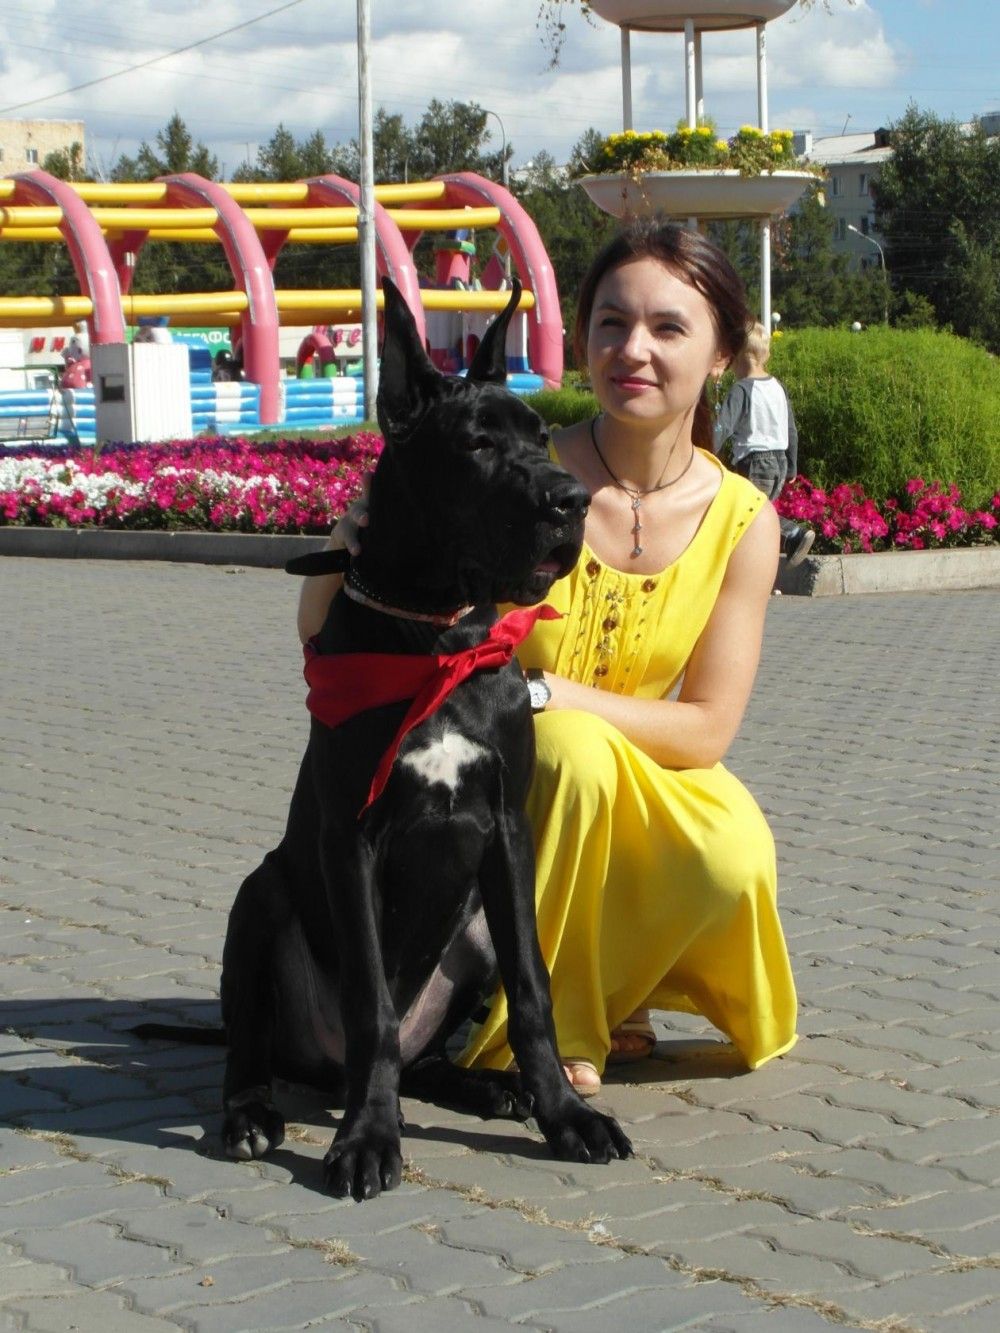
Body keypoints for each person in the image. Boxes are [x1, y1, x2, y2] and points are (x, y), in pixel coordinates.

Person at [296, 220, 798, 1098]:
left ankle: (621, 983)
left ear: (723, 352)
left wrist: (548, 692)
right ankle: (551, 1021)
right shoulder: (510, 464)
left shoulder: (743, 520)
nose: (632, 349)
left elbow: (708, 729)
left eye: (668, 328)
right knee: (566, 756)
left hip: (644, 765)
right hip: (502, 779)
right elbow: (322, 635)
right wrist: (350, 540)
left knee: (735, 848)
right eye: (611, 322)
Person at [713, 321, 815, 567]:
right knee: (752, 513)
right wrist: (791, 465)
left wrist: (705, 452)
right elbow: (791, 430)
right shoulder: (777, 387)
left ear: (739, 358)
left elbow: (722, 427)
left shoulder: (741, 390)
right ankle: (755, 563)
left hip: (754, 462)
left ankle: (792, 534)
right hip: (779, 462)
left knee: (748, 512)